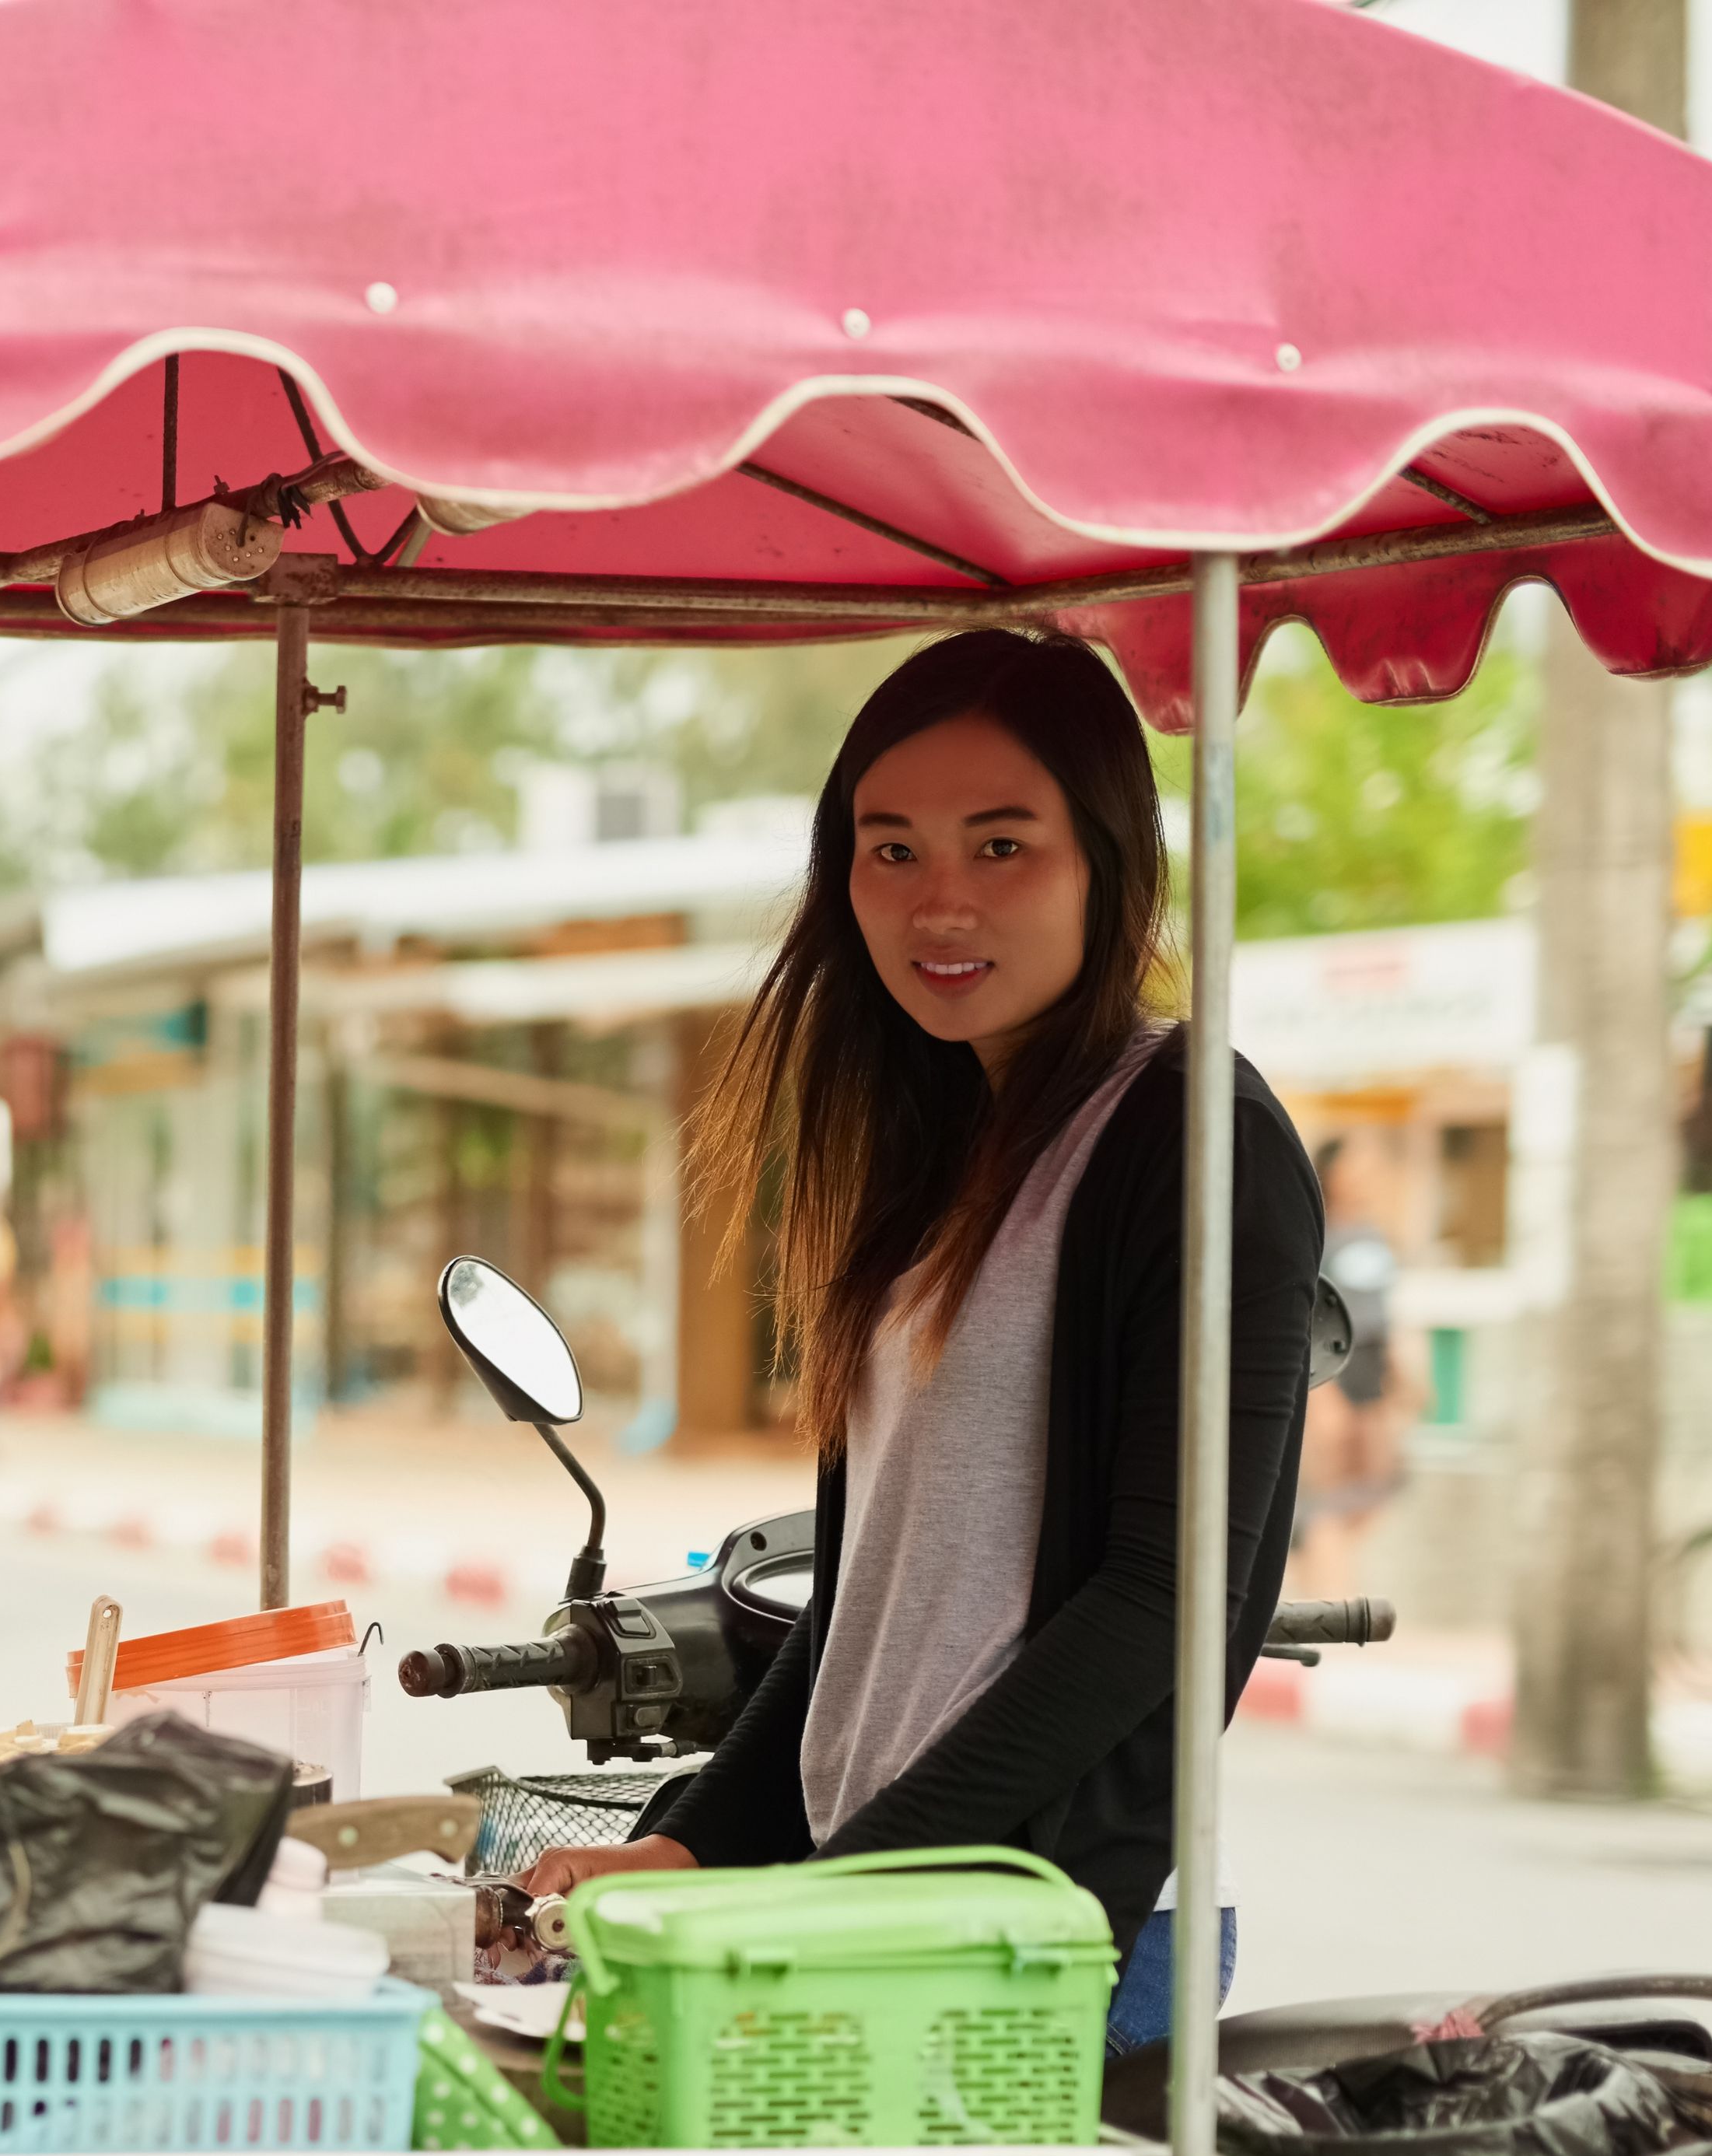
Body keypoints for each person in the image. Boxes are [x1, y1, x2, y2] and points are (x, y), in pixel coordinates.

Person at [516, 631, 1327, 2060]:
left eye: (999, 845)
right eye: (887, 851)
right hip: (876, 1905)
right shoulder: (933, 1158)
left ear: (1107, 865)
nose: (936, 900)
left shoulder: (1192, 1137)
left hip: (1040, 1931)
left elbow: (1159, 1598)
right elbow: (860, 1609)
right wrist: (695, 1850)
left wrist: (848, 1887)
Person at [1290, 1134, 1413, 1601]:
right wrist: (1323, 1392)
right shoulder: (1319, 1230)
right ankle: (1326, 1595)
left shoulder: (1373, 1233)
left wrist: (1400, 1367)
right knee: (1328, 1489)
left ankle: (1306, 1558)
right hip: (1330, 1367)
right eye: (1357, 1167)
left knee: (1378, 1482)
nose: (1366, 1177)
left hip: (1373, 1366)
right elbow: (1307, 1311)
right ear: (1334, 1172)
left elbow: (1384, 1304)